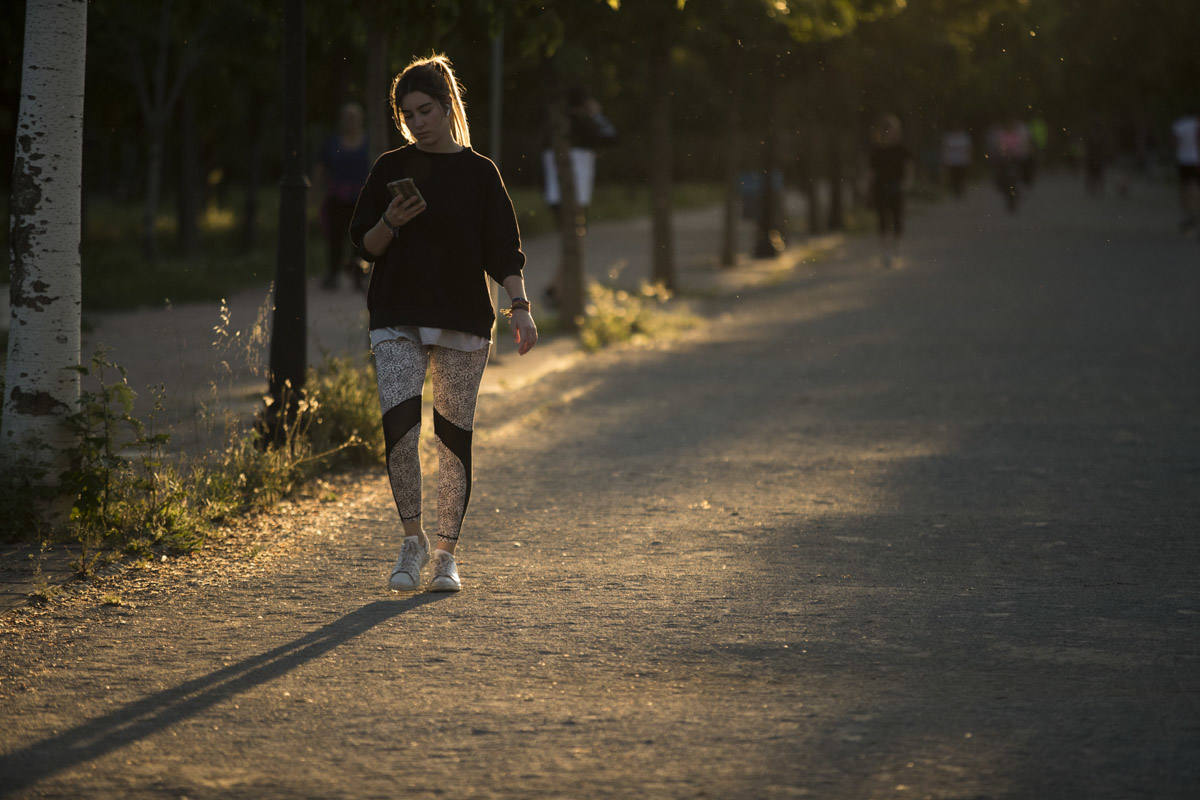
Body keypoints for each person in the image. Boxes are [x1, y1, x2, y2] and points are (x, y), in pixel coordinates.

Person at [349, 54, 538, 592]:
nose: (417, 122)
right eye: (408, 115)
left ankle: (447, 556)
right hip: (397, 316)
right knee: (400, 430)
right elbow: (363, 245)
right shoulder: (389, 168)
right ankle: (413, 542)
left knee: (452, 439)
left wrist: (520, 308)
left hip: (462, 321)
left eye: (426, 110)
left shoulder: (481, 173)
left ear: (448, 105)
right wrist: (391, 221)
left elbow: (503, 250)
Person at [541, 88, 617, 304]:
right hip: (574, 195)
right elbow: (611, 136)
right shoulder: (584, 124)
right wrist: (597, 115)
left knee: (573, 239)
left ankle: (561, 289)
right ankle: (558, 291)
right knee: (574, 240)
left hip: (556, 195)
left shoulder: (555, 125)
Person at [315, 102, 371, 290]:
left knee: (359, 239)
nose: (350, 121)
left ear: (361, 119)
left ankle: (358, 276)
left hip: (360, 199)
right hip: (337, 198)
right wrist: (317, 195)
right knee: (335, 238)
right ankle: (333, 274)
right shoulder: (332, 143)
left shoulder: (368, 142)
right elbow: (321, 170)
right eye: (347, 117)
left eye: (354, 117)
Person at [867, 113, 911, 268]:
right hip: (880, 187)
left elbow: (907, 167)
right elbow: (872, 172)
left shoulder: (901, 149)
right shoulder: (877, 150)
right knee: (882, 220)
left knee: (897, 218)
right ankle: (885, 252)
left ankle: (896, 250)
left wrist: (907, 183)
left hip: (897, 186)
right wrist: (869, 188)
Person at [1171, 111, 1200, 233]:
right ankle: (1193, 213)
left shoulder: (1179, 125)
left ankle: (1189, 213)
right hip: (1195, 159)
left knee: (1185, 188)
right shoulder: (1196, 124)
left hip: (1183, 159)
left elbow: (1174, 142)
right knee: (1194, 187)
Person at [940, 124, 972, 199]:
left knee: (961, 177)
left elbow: (969, 149)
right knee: (953, 177)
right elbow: (945, 149)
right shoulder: (949, 137)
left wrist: (969, 159)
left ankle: (960, 191)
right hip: (952, 161)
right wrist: (945, 159)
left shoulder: (964, 137)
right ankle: (955, 191)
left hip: (962, 161)